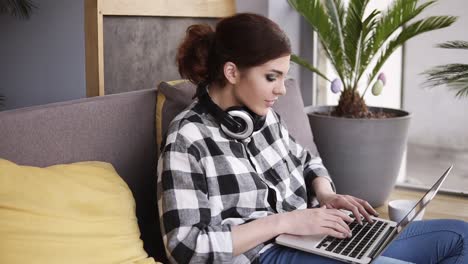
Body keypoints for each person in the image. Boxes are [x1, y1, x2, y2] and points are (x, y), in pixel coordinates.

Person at [157, 13, 467, 264]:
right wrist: (286, 222)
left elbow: (307, 160)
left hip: (313, 236)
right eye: (271, 77)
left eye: (283, 76)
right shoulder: (187, 138)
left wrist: (327, 196)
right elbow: (184, 248)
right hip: (265, 255)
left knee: (462, 236)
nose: (282, 89)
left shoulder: (262, 116)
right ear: (232, 72)